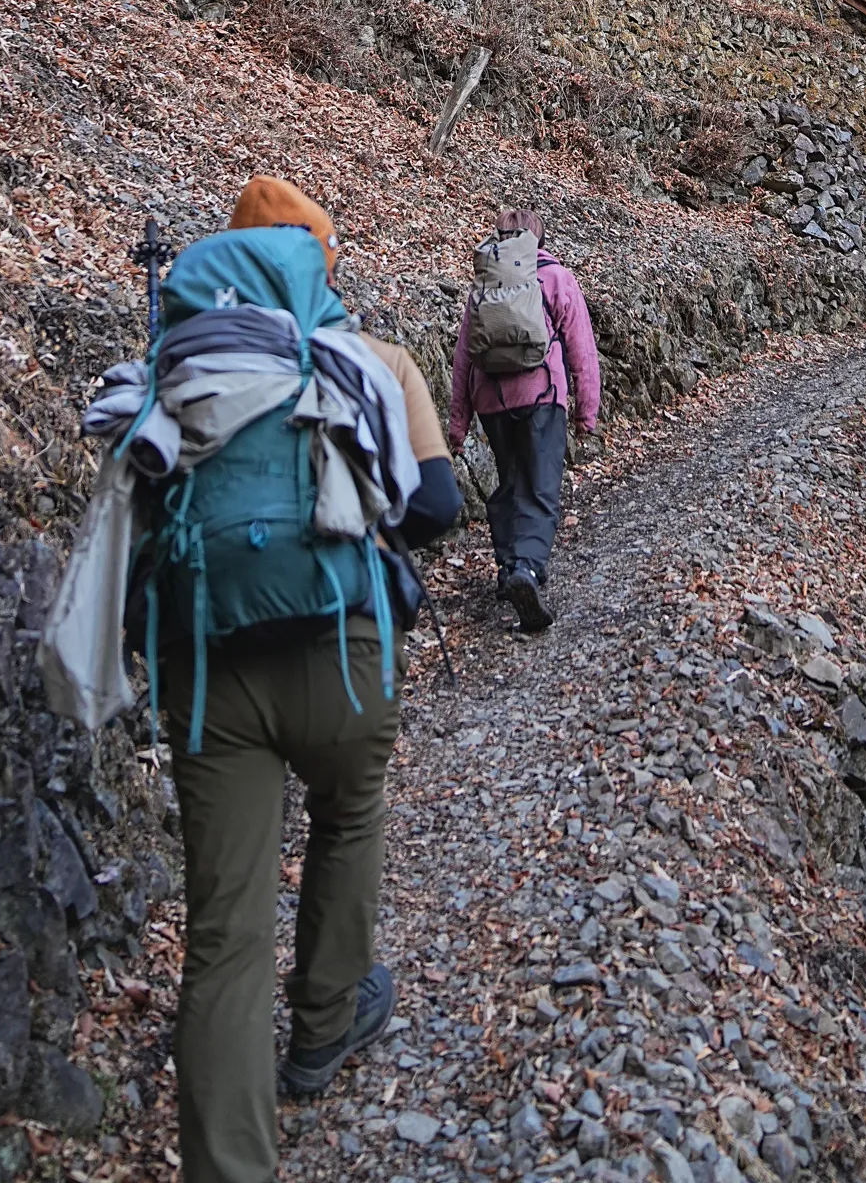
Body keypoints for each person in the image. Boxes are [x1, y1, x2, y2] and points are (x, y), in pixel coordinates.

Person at [162, 175, 460, 1183]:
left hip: (210, 667)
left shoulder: (182, 362)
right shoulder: (368, 357)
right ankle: (326, 1023)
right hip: (342, 647)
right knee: (347, 815)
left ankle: (229, 1164)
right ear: (319, 262)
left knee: (226, 935)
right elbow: (436, 510)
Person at [448, 207, 601, 633]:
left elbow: (463, 356)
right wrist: (587, 411)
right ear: (539, 239)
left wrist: (458, 423)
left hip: (491, 400)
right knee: (541, 490)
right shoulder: (555, 277)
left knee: (511, 481)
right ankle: (527, 570)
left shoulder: (485, 283)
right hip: (542, 396)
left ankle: (508, 566)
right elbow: (581, 348)